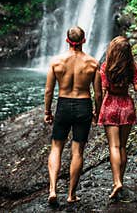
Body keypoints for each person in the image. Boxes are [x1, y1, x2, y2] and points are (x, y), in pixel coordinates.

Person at [43, 26, 102, 204]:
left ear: (67, 40)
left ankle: (53, 190)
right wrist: (96, 113)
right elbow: (98, 94)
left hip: (63, 104)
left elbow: (48, 90)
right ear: (84, 40)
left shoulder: (56, 62)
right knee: (77, 152)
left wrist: (47, 111)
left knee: (56, 148)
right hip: (83, 105)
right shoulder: (92, 63)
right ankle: (71, 195)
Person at [98, 36, 137, 199]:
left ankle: (116, 181)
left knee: (114, 147)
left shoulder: (105, 67)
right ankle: (120, 180)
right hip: (126, 107)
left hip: (110, 105)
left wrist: (97, 110)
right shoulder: (131, 67)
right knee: (122, 146)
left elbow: (102, 90)